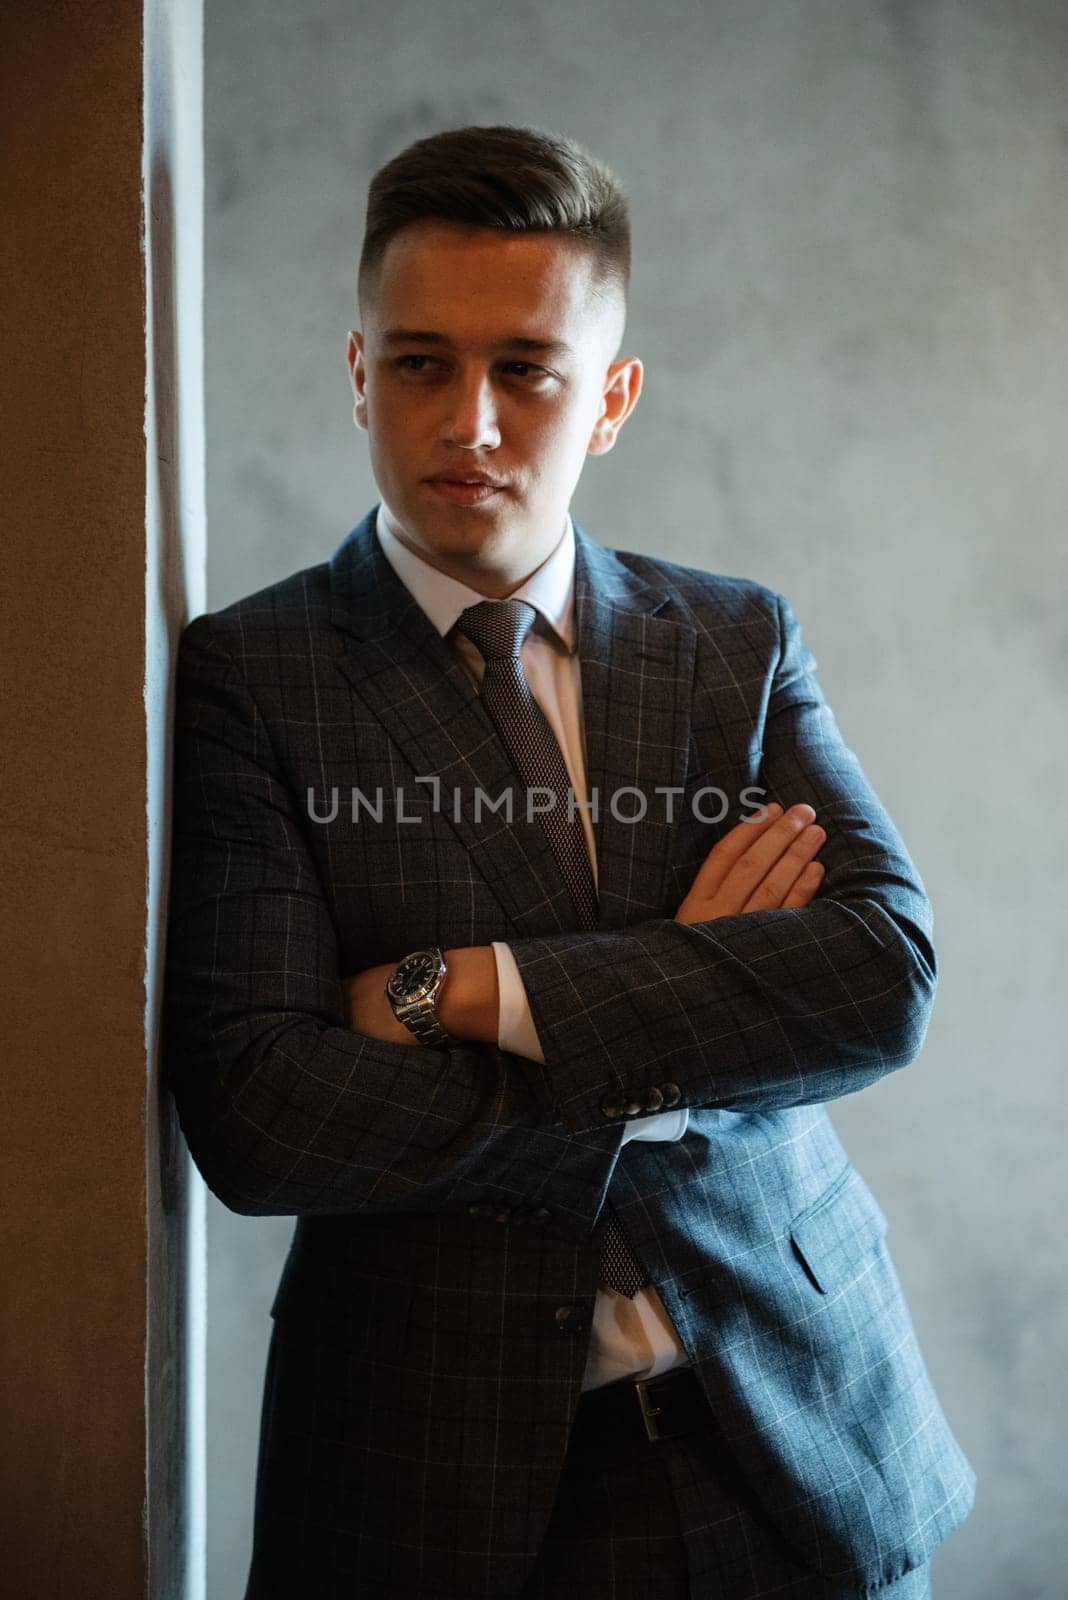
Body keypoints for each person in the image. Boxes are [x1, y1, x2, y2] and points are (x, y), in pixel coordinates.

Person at [162, 124, 975, 1600]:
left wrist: (455, 989)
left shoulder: (734, 642)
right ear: (359, 373)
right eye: (419, 363)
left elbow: (879, 976)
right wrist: (691, 1036)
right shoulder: (256, 677)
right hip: (442, 1477)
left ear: (610, 398)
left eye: (525, 370)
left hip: (794, 1433)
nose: (469, 422)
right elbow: (261, 1111)